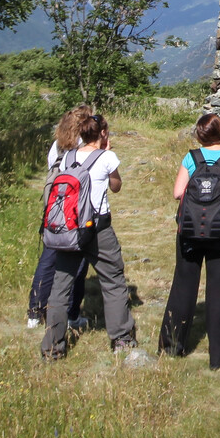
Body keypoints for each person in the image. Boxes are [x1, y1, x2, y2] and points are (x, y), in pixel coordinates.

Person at [40, 110, 138, 359]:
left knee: (61, 285)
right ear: (103, 133)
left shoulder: (67, 157)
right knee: (113, 280)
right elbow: (116, 187)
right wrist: (107, 154)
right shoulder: (106, 157)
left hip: (70, 228)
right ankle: (121, 338)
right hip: (97, 227)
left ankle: (53, 347)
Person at [157, 113, 220, 369]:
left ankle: (172, 346)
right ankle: (219, 355)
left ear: (200, 134)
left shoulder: (191, 158)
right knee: (218, 289)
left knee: (183, 285)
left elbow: (177, 192)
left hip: (189, 228)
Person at [28, 105, 92, 329]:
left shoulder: (57, 146)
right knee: (79, 262)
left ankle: (35, 312)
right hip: (76, 212)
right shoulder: (85, 148)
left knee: (47, 260)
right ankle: (72, 314)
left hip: (54, 209)